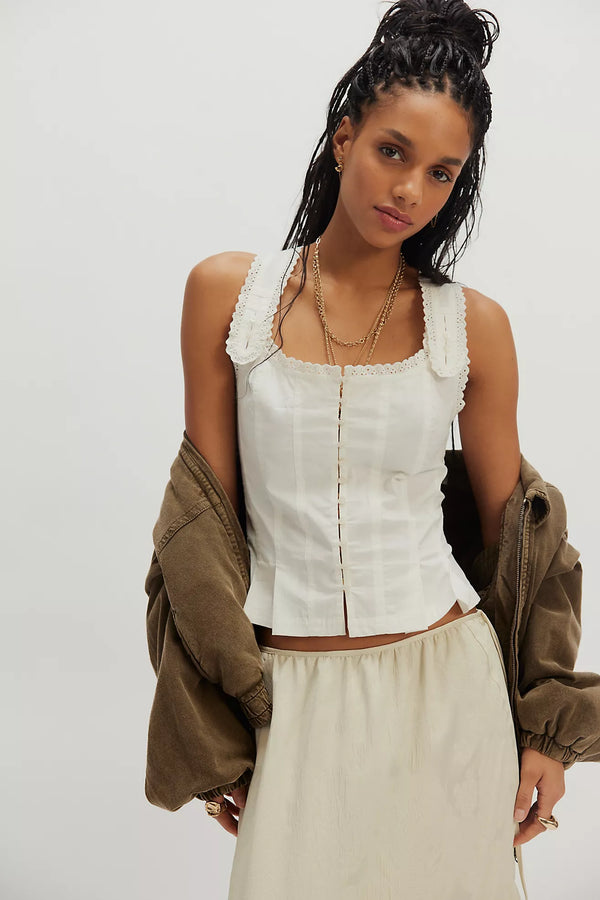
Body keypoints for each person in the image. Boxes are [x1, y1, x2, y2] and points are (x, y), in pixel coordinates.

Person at [179, 1, 565, 896]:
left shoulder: (472, 327)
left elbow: (521, 545)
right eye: (393, 151)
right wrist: (210, 728)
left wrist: (548, 731)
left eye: (440, 172)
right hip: (291, 700)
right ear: (344, 137)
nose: (410, 191)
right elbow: (202, 534)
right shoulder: (227, 296)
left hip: (449, 691)